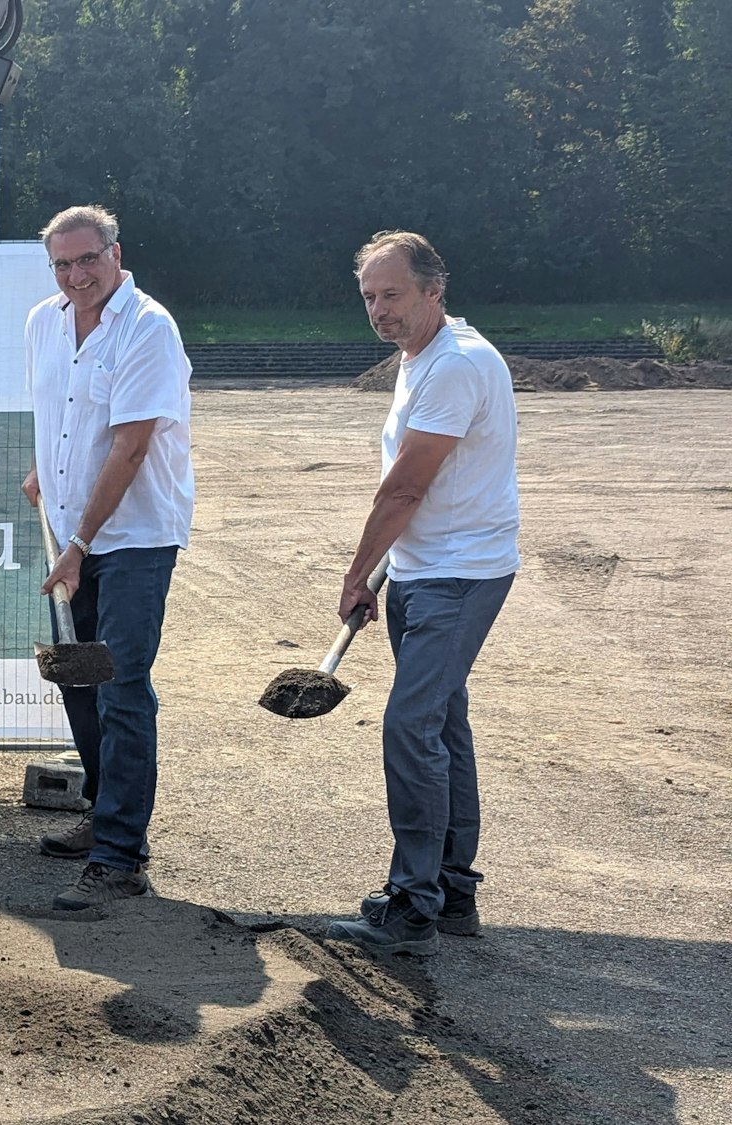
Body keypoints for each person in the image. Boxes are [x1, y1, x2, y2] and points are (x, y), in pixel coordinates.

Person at [327, 231, 519, 956]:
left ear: (434, 289)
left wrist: (356, 571)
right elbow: (424, 489)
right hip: (425, 568)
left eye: (393, 294)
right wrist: (387, 570)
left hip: (459, 574)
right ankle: (451, 889)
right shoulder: (424, 358)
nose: (380, 310)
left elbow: (406, 485)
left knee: (412, 726)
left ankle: (413, 903)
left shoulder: (456, 366)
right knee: (440, 724)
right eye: (370, 297)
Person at [22, 204, 195, 910]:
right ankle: (103, 814)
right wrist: (43, 472)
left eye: (87, 259)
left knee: (121, 684)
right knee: (78, 678)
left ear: (115, 253)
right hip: (73, 534)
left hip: (132, 538)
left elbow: (129, 445)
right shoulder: (43, 321)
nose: (75, 275)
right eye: (62, 264)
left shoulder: (148, 328)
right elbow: (57, 417)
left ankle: (122, 855)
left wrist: (81, 542)